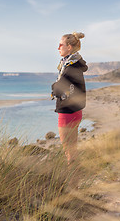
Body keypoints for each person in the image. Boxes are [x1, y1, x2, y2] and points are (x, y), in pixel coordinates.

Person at [51, 32, 88, 165]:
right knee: (72, 149)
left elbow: (58, 89)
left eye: (61, 45)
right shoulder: (74, 64)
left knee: (69, 152)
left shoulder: (70, 66)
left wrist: (54, 87)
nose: (58, 48)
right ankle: (76, 181)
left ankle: (72, 183)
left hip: (67, 112)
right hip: (75, 110)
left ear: (69, 47)